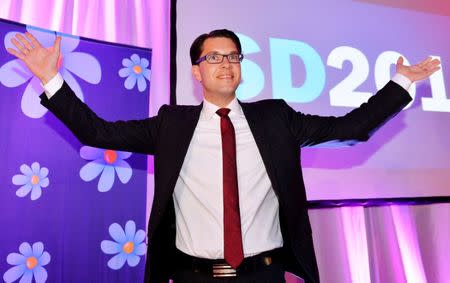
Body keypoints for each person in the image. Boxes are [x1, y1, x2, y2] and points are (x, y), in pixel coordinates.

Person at [8, 29, 440, 283]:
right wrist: (51, 78)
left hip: (265, 275)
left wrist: (401, 82)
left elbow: (351, 128)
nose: (226, 64)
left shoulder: (276, 118)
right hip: (194, 276)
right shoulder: (171, 124)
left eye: (233, 56)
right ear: (196, 71)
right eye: (213, 57)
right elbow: (95, 131)